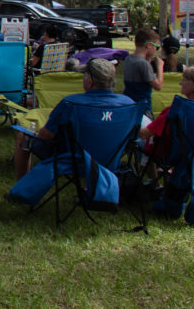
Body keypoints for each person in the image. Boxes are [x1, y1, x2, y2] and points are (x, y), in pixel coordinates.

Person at [13, 58, 134, 179]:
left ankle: (21, 184)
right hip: (111, 160)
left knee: (23, 137)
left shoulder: (71, 103)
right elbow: (135, 136)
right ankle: (89, 188)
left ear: (90, 81)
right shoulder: (128, 104)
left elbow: (47, 135)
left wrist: (38, 133)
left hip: (73, 161)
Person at [142, 66, 194, 217]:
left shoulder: (177, 110)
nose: (180, 83)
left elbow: (145, 134)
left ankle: (154, 185)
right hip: (187, 160)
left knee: (140, 141)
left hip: (173, 157)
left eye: (184, 80)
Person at [124, 28, 164, 116]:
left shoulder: (129, 59)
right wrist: (160, 66)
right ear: (149, 45)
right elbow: (158, 86)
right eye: (156, 47)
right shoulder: (143, 63)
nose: (156, 50)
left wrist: (148, 59)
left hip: (129, 104)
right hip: (142, 108)